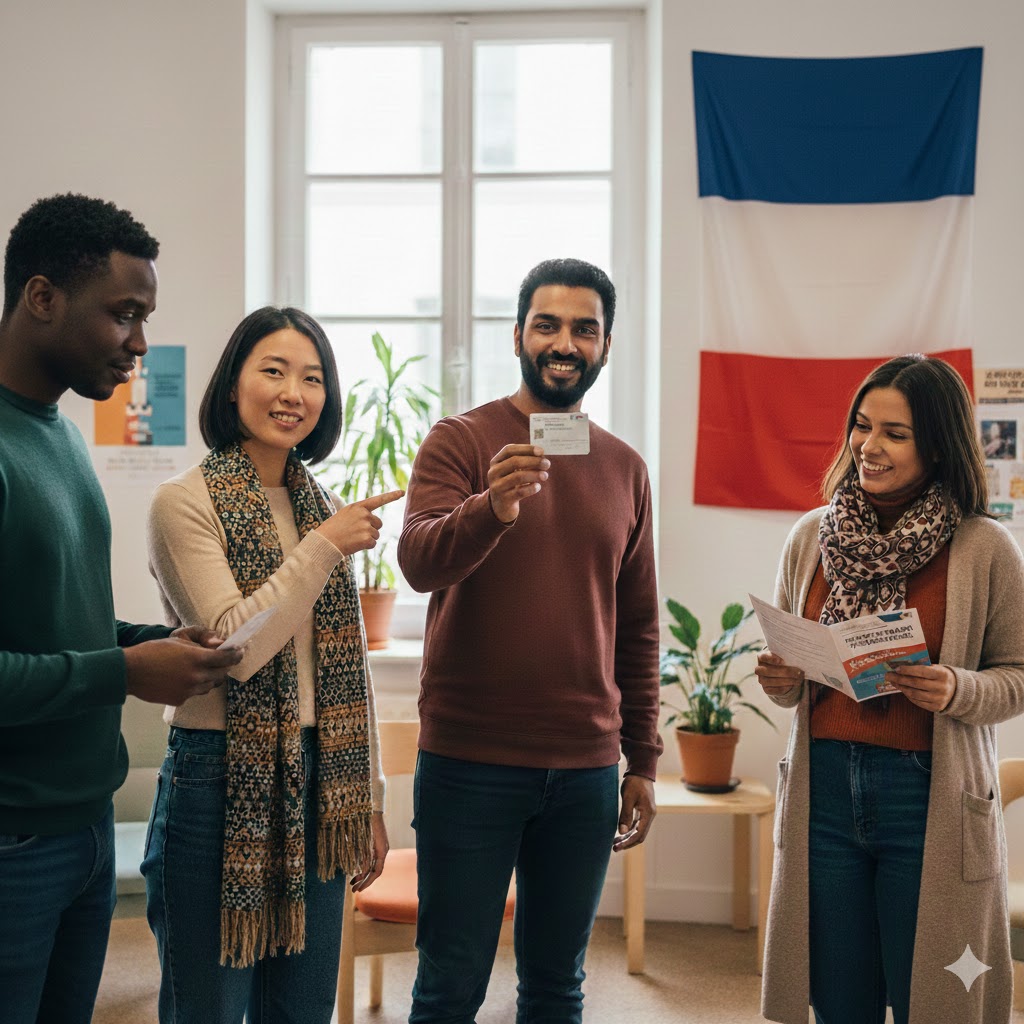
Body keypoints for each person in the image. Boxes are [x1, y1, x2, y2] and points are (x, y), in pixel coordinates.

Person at [398, 257, 662, 1023]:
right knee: (450, 982)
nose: (564, 342)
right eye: (547, 324)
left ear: (606, 346)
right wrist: (493, 506)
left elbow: (639, 628)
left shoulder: (625, 469)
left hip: (583, 772)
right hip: (468, 763)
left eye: (585, 328)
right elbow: (417, 564)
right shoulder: (460, 441)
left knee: (557, 983)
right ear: (517, 334)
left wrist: (642, 758)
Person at [0, 193, 242, 1024]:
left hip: (84, 828)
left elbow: (45, 622)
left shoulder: (60, 433)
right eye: (124, 314)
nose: (141, 341)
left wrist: (147, 642)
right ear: (41, 298)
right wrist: (127, 671)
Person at [142, 306, 398, 1024]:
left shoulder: (318, 501)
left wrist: (368, 798)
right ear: (232, 386)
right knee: (210, 1007)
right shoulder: (182, 503)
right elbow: (235, 646)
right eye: (274, 371)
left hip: (323, 779)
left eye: (312, 378)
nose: (294, 392)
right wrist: (322, 549)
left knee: (303, 1007)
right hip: (216, 776)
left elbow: (346, 671)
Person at [755, 355, 1024, 1024]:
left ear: (938, 443)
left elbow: (1018, 676)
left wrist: (955, 689)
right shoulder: (811, 536)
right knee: (839, 999)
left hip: (926, 794)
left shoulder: (984, 546)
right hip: (824, 795)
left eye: (894, 433)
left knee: (930, 1001)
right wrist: (782, 678)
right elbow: (796, 675)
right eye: (861, 425)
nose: (867, 447)